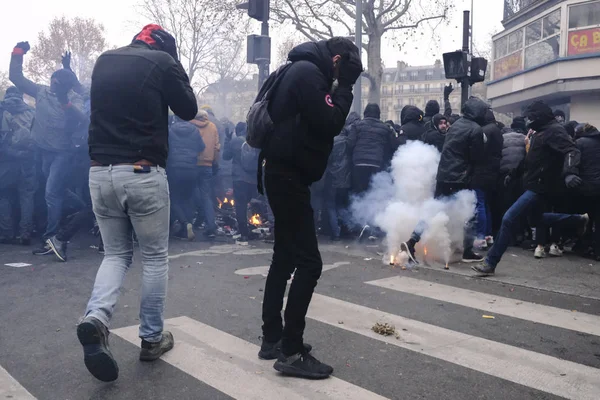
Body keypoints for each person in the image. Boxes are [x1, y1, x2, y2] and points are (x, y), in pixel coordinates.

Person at [77, 24, 197, 382]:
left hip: (100, 173)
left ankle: (96, 318)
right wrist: (176, 68)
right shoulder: (162, 62)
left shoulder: (103, 61)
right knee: (155, 257)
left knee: (115, 254)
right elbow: (188, 109)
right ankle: (151, 338)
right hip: (142, 171)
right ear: (165, 48)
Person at [259, 37, 362, 379]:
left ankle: (273, 338)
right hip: (287, 175)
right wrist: (345, 87)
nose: (344, 75)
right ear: (336, 60)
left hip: (282, 173)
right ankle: (290, 351)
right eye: (345, 69)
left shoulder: (298, 70)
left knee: (285, 257)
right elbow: (330, 121)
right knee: (309, 263)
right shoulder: (307, 73)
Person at [472, 101, 585, 276]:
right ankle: (577, 220)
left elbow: (572, 150)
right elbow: (530, 160)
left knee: (508, 219)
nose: (528, 121)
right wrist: (514, 173)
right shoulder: (540, 131)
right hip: (532, 183)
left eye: (531, 117)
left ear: (539, 117)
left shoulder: (554, 130)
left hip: (541, 186)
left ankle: (490, 262)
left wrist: (570, 172)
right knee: (538, 220)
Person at [9, 41, 87, 258]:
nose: (51, 84)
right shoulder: (41, 91)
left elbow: (81, 118)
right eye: (52, 81)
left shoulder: (74, 99)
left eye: (56, 83)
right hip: (42, 151)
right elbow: (16, 78)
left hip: (62, 153)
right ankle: (82, 208)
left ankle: (51, 239)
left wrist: (65, 102)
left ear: (64, 87)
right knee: (54, 192)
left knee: (51, 193)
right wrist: (18, 53)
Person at [400, 97, 489, 264]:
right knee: (470, 212)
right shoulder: (475, 130)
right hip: (460, 177)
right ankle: (467, 251)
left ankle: (412, 240)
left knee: (432, 210)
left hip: (443, 176)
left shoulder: (455, 126)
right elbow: (476, 157)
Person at [0, 87, 35, 245]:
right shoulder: (31, 111)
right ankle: (25, 232)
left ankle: (7, 233)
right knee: (27, 196)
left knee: (3, 195)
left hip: (6, 160)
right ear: (21, 96)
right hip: (28, 159)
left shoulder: (2, 110)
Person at [168, 116, 206, 240]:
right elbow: (201, 147)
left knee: (174, 198)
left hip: (175, 169)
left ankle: (184, 223)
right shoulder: (195, 130)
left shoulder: (170, 130)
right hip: (192, 169)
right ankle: (186, 228)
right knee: (188, 199)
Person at [470, 110, 504, 250]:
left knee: (480, 204)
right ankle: (488, 235)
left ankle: (480, 236)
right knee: (486, 204)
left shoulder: (483, 131)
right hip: (493, 172)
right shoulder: (497, 131)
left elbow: (478, 152)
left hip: (481, 172)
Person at [324, 112, 360, 240]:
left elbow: (327, 160)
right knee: (340, 205)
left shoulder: (331, 141)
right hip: (346, 178)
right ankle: (350, 227)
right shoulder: (348, 142)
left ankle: (336, 233)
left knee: (330, 205)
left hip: (333, 177)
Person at [223, 122, 259, 245]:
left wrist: (227, 140)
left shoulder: (235, 141)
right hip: (253, 179)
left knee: (240, 205)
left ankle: (244, 233)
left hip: (239, 179)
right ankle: (250, 226)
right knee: (249, 203)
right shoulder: (255, 141)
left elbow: (226, 156)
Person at [348, 103, 395, 194]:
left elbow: (350, 143)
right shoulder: (385, 128)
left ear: (365, 113)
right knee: (373, 192)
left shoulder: (356, 125)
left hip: (358, 162)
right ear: (378, 114)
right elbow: (389, 148)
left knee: (358, 194)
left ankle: (358, 208)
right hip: (376, 163)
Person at [191, 109, 220, 238]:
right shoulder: (213, 127)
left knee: (190, 194)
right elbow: (216, 147)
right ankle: (211, 225)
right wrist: (215, 162)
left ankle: (190, 222)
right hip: (207, 165)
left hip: (192, 164)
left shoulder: (190, 125)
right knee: (206, 196)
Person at [573, 123, 600, 260]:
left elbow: (574, 162)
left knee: (584, 218)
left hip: (586, 187)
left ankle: (583, 246)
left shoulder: (579, 143)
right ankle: (597, 251)